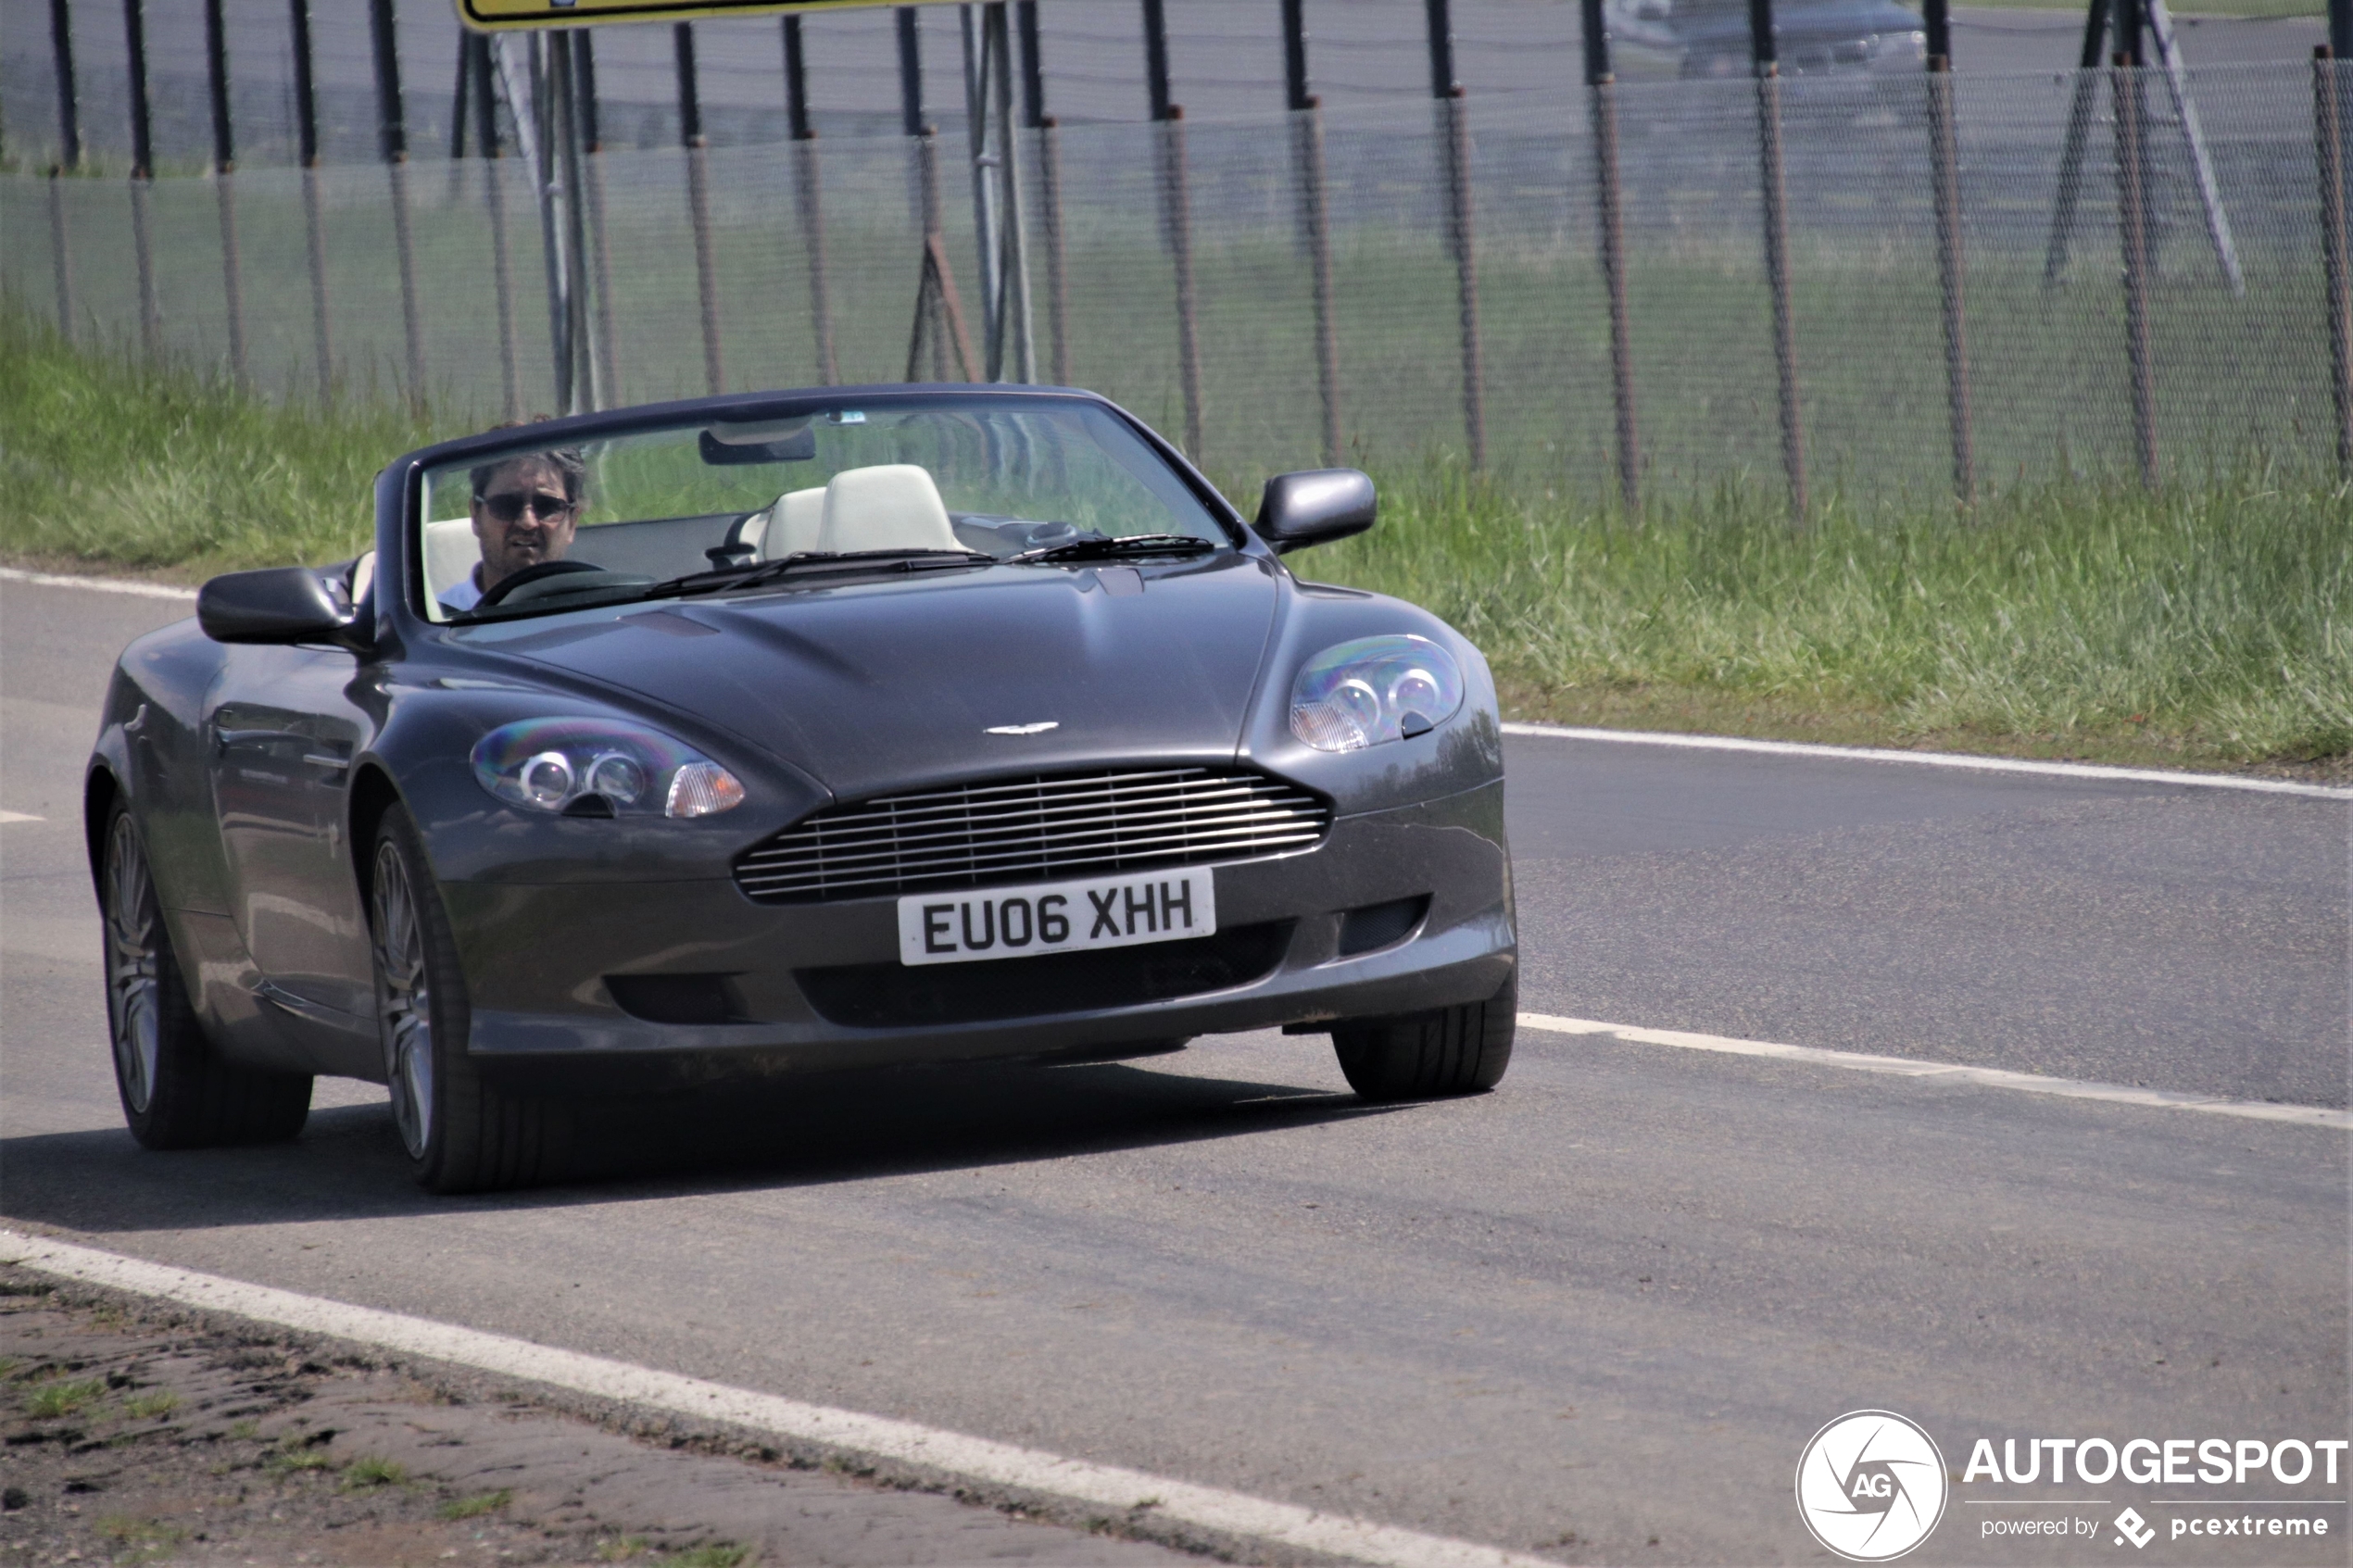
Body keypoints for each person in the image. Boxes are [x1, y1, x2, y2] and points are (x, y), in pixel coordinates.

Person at [440, 445, 586, 614]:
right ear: (476, 516)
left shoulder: (598, 615)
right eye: (506, 505)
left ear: (572, 523)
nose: (527, 522)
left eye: (547, 506)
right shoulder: (436, 620)